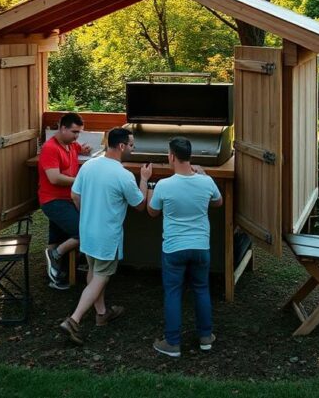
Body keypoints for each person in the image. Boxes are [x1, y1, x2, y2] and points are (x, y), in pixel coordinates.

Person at [59, 127, 151, 345]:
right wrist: (145, 179)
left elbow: (74, 194)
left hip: (88, 230)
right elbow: (139, 205)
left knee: (93, 271)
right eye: (131, 144)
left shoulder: (89, 165)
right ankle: (74, 319)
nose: (132, 148)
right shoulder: (124, 175)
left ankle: (101, 314)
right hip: (106, 236)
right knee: (102, 275)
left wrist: (86, 214)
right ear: (121, 146)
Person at [147, 136, 223, 357]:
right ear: (191, 156)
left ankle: (172, 343)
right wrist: (206, 176)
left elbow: (152, 212)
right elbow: (218, 202)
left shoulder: (164, 185)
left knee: (173, 292)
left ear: (171, 156)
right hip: (201, 247)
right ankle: (206, 337)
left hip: (174, 249)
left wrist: (149, 185)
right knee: (201, 289)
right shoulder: (205, 181)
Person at [38, 112, 92, 290]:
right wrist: (80, 181)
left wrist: (83, 149)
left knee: (57, 235)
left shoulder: (71, 145)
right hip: (53, 201)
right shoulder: (50, 148)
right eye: (74, 132)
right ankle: (55, 254)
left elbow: (78, 149)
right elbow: (54, 178)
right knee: (84, 232)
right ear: (62, 128)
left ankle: (55, 276)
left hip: (68, 198)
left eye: (79, 133)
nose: (77, 136)